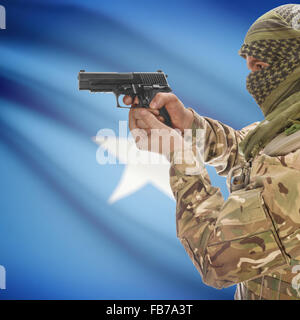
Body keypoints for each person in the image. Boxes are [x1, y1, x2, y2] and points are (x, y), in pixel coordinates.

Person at [123, 4, 300, 300]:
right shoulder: (287, 129)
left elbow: (216, 260)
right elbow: (251, 154)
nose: (252, 75)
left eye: (262, 64)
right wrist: (191, 125)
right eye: (250, 64)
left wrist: (180, 156)